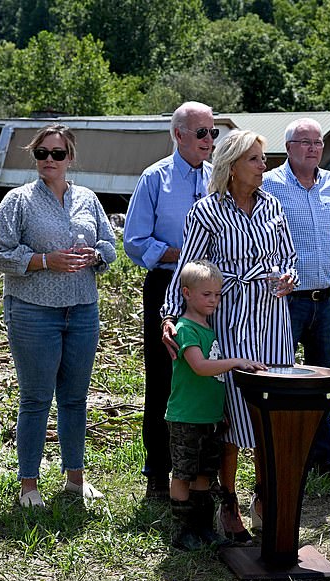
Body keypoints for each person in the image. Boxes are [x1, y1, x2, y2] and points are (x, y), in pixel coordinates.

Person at [161, 129, 297, 542]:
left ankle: (264, 496)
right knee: (235, 415)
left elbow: (288, 254)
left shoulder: (273, 205)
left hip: (272, 319)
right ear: (232, 165)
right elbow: (189, 265)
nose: (263, 166)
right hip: (231, 318)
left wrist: (289, 276)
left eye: (263, 159)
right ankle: (229, 502)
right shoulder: (207, 211)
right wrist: (171, 314)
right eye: (255, 159)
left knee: (271, 413)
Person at [0, 124, 117, 508]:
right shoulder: (18, 200)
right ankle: (29, 484)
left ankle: (74, 478)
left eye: (57, 154)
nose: (49, 160)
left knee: (75, 398)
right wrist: (45, 260)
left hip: (81, 309)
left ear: (70, 159)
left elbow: (110, 244)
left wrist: (95, 255)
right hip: (32, 312)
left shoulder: (88, 199)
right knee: (37, 397)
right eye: (42, 153)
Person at [124, 102, 217, 500]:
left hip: (213, 294)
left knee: (209, 378)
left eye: (213, 133)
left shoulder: (219, 177)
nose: (209, 141)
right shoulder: (154, 178)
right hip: (167, 286)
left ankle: (202, 473)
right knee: (164, 380)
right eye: (201, 133)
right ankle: (158, 474)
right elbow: (134, 240)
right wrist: (182, 255)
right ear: (178, 135)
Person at [262, 117, 330, 479]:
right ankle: (288, 455)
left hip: (324, 299)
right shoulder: (270, 184)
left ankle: (324, 459)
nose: (313, 148)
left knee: (323, 379)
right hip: (285, 300)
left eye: (317, 142)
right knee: (282, 379)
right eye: (304, 142)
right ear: (288, 148)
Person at [165, 260, 266, 550]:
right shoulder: (185, 328)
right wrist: (236, 362)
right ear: (186, 293)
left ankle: (203, 527)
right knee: (183, 473)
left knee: (205, 474)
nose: (213, 300)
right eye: (206, 294)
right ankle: (182, 530)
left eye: (217, 294)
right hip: (186, 417)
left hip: (208, 417)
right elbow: (199, 366)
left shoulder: (209, 327)